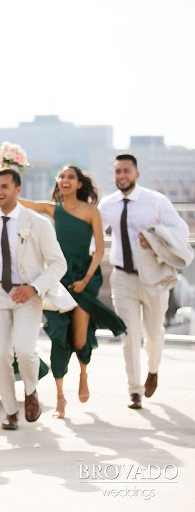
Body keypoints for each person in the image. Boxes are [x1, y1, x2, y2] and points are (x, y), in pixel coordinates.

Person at [0, 166, 75, 430]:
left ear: (17, 189)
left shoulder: (39, 223)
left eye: (4, 187)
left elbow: (58, 264)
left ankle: (31, 390)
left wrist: (33, 288)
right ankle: (10, 411)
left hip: (27, 294)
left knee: (24, 350)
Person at [19, 165, 127, 418]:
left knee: (78, 339)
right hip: (58, 277)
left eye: (71, 177)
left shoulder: (92, 212)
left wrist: (86, 279)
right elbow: (21, 201)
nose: (65, 180)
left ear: (79, 184)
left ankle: (83, 372)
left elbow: (99, 250)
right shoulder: (52, 209)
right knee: (58, 335)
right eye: (62, 177)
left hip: (84, 278)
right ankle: (59, 397)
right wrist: (7, 169)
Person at [98, 154, 189, 409]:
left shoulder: (156, 202)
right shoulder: (108, 205)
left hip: (154, 278)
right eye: (117, 171)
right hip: (122, 278)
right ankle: (135, 390)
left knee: (154, 334)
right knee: (129, 334)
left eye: (126, 171)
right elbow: (94, 233)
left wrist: (154, 237)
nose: (121, 176)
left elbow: (181, 230)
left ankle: (153, 369)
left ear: (136, 174)